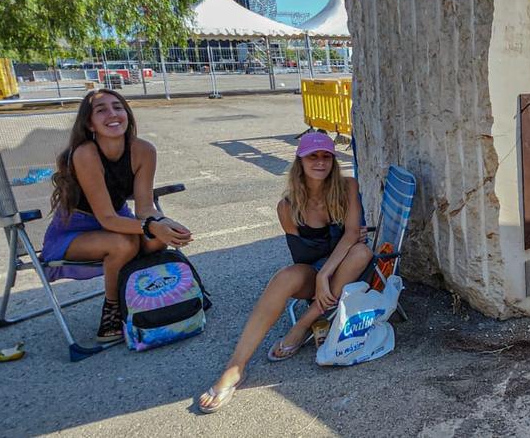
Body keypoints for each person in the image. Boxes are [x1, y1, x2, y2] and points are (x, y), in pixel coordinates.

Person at [198, 132, 374, 413]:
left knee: (361, 252)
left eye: (326, 156)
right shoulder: (288, 207)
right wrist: (318, 273)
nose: (320, 162)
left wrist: (324, 275)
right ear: (300, 161)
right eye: (312, 156)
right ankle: (236, 366)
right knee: (283, 277)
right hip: (316, 269)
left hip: (349, 267)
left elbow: (353, 233)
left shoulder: (348, 186)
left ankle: (302, 324)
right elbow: (303, 257)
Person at [43, 89, 193, 343]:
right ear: (89, 123)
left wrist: (164, 224)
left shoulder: (144, 150)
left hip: (118, 221)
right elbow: (107, 220)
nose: (112, 114)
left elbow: (145, 208)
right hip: (75, 231)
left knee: (157, 240)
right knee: (123, 244)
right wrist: (152, 226)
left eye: (118, 107)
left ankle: (147, 302)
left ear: (128, 114)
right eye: (101, 110)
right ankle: (112, 311)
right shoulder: (85, 154)